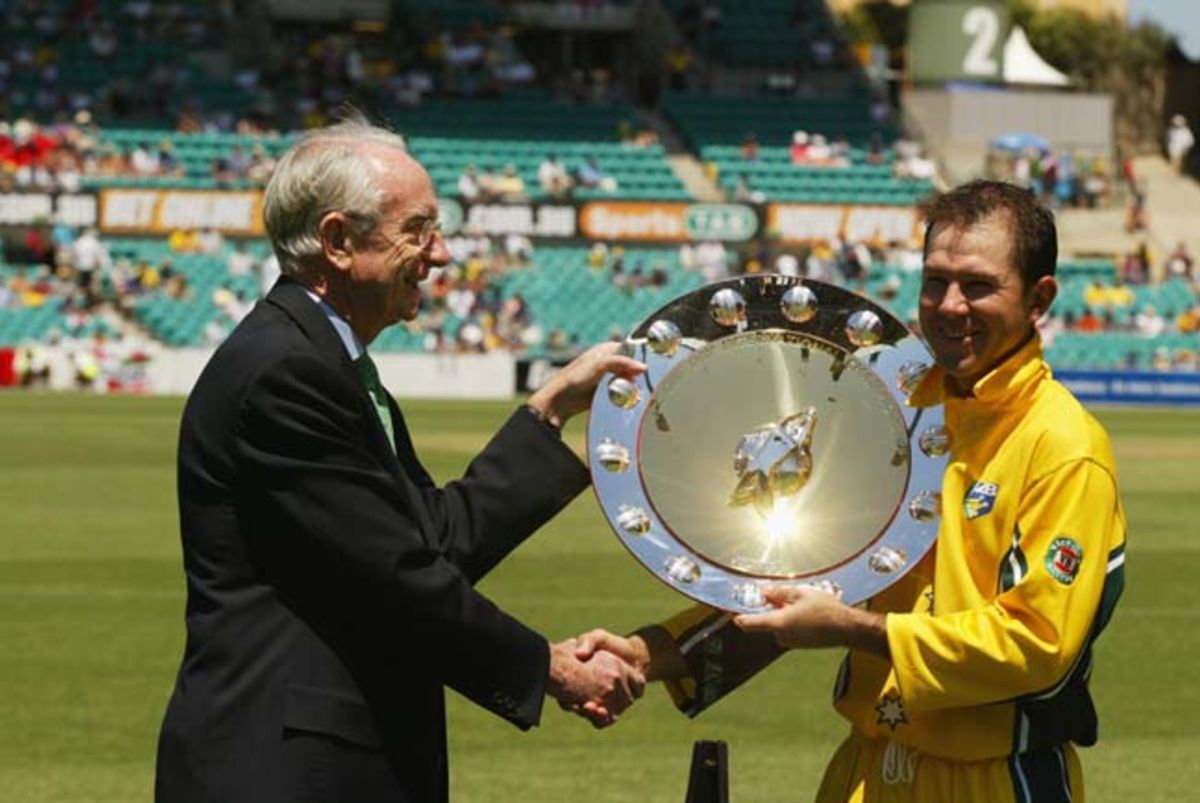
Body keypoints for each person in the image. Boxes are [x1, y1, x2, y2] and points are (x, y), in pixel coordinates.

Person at [577, 180, 1127, 803]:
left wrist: (856, 630)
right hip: (867, 769)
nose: (949, 306)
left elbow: (1036, 646)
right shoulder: (898, 411)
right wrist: (649, 655)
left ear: (1039, 297)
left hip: (996, 778)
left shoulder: (1064, 446)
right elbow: (796, 577)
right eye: (935, 281)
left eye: (978, 285)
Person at [154, 117, 647, 803]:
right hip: (286, 773)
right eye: (418, 229)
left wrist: (550, 410)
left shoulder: (324, 361)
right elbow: (396, 576)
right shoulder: (288, 372)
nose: (441, 253)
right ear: (337, 241)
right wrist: (551, 666)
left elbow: (432, 540)